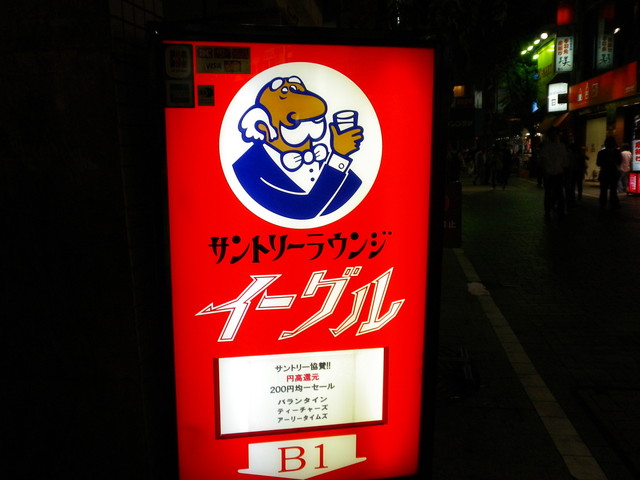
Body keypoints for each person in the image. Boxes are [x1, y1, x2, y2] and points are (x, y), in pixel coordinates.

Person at [539, 127, 571, 217]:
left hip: (558, 173)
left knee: (558, 193)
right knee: (551, 193)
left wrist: (565, 169)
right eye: (552, 134)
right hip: (550, 173)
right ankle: (550, 211)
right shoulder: (547, 147)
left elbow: (564, 160)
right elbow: (543, 160)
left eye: (555, 134)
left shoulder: (560, 146)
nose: (554, 136)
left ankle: (558, 211)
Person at [596, 137, 622, 209]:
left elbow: (598, 163)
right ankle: (613, 203)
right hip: (613, 173)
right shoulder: (617, 152)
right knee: (613, 190)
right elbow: (619, 162)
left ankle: (603, 203)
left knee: (604, 190)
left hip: (605, 173)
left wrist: (605, 162)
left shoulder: (601, 153)